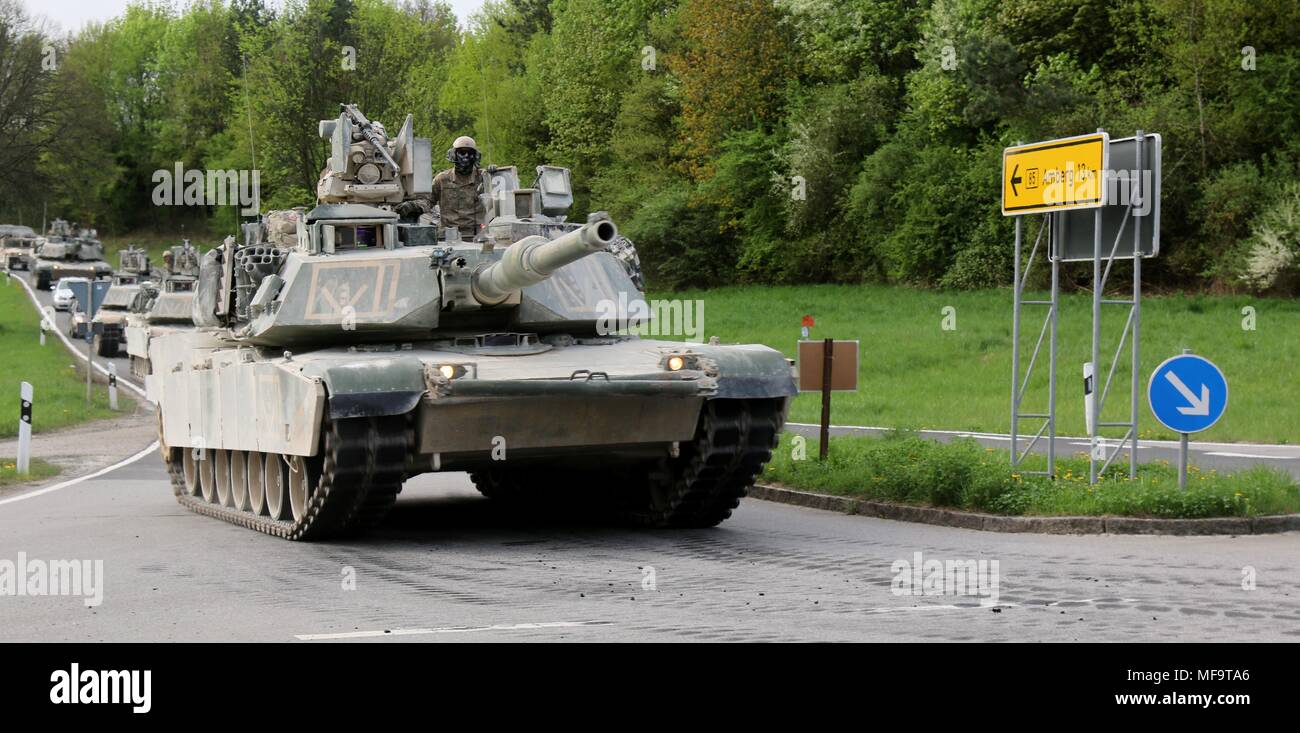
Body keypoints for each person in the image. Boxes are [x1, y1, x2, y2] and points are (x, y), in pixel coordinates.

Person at [397, 135, 486, 238]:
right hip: (449, 234)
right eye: (461, 152)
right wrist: (412, 206)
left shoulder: (483, 177)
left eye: (469, 153)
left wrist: (495, 172)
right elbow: (428, 201)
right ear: (454, 154)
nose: (465, 156)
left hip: (477, 235)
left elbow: (499, 195)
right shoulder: (442, 179)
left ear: (475, 156)